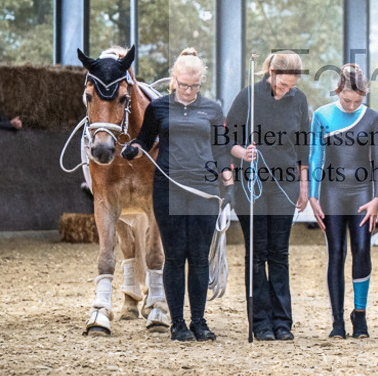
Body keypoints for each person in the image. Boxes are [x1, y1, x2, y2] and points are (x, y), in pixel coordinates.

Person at [122, 49, 233, 343]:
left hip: (204, 191)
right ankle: (178, 323)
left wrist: (228, 177)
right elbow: (144, 140)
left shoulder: (212, 109)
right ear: (174, 80)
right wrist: (133, 148)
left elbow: (221, 149)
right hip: (168, 188)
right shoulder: (158, 109)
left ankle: (199, 320)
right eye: (183, 85)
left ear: (200, 83)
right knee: (174, 256)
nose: (188, 91)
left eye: (194, 86)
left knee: (199, 257)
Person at [225, 51, 310, 342]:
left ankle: (282, 321)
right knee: (257, 252)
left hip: (285, 183)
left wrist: (304, 184)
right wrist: (241, 152)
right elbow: (226, 139)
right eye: (282, 84)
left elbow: (303, 144)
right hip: (252, 183)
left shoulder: (298, 100)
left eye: (291, 86)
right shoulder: (247, 96)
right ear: (271, 72)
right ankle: (260, 322)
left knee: (280, 252)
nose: (286, 90)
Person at [308, 64, 378, 340]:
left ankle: (360, 316)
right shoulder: (322, 115)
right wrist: (313, 197)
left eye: (358, 100)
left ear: (365, 94)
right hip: (332, 193)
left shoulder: (373, 118)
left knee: (362, 250)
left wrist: (377, 198)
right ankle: (337, 321)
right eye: (346, 100)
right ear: (338, 91)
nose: (352, 105)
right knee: (336, 253)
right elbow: (316, 157)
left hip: (363, 192)